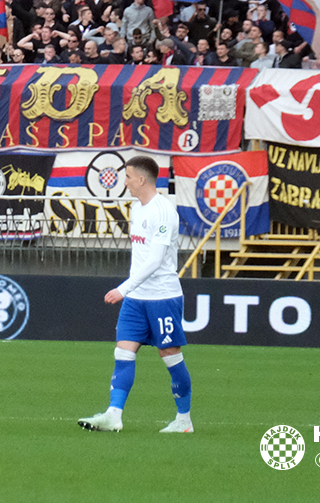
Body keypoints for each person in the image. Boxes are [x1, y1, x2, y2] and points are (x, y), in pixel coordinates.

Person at [78, 155, 193, 433]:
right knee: (123, 353)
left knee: (170, 355)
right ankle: (113, 415)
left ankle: (183, 420)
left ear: (141, 179)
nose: (125, 182)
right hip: (136, 299)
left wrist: (122, 288)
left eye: (128, 176)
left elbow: (155, 260)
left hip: (162, 297)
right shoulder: (137, 208)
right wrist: (130, 291)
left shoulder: (163, 211)